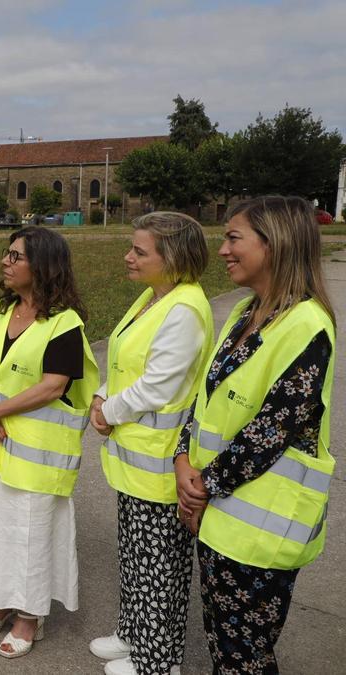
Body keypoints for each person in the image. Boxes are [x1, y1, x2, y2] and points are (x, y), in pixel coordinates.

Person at [175, 196, 335, 674]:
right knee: (225, 646)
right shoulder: (247, 312)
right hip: (220, 516)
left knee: (245, 657)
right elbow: (206, 400)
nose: (221, 249)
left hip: (260, 528)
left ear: (276, 243)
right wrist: (184, 458)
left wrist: (200, 487)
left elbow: (271, 430)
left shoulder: (308, 325)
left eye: (233, 237)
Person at [0, 226, 98, 659]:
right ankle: (0, 600)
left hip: (38, 456)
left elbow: (54, 386)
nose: (5, 261)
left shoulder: (64, 324)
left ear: (43, 266)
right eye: (7, 254)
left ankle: (29, 616)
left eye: (16, 256)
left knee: (31, 536)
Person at [87, 213, 213, 675]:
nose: (128, 256)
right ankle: (134, 635)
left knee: (159, 569)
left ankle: (157, 663)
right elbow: (123, 358)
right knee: (136, 557)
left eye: (140, 251)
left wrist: (108, 410)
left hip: (161, 463)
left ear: (173, 258)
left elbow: (158, 385)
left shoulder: (184, 309)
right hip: (134, 460)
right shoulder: (154, 297)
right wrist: (102, 393)